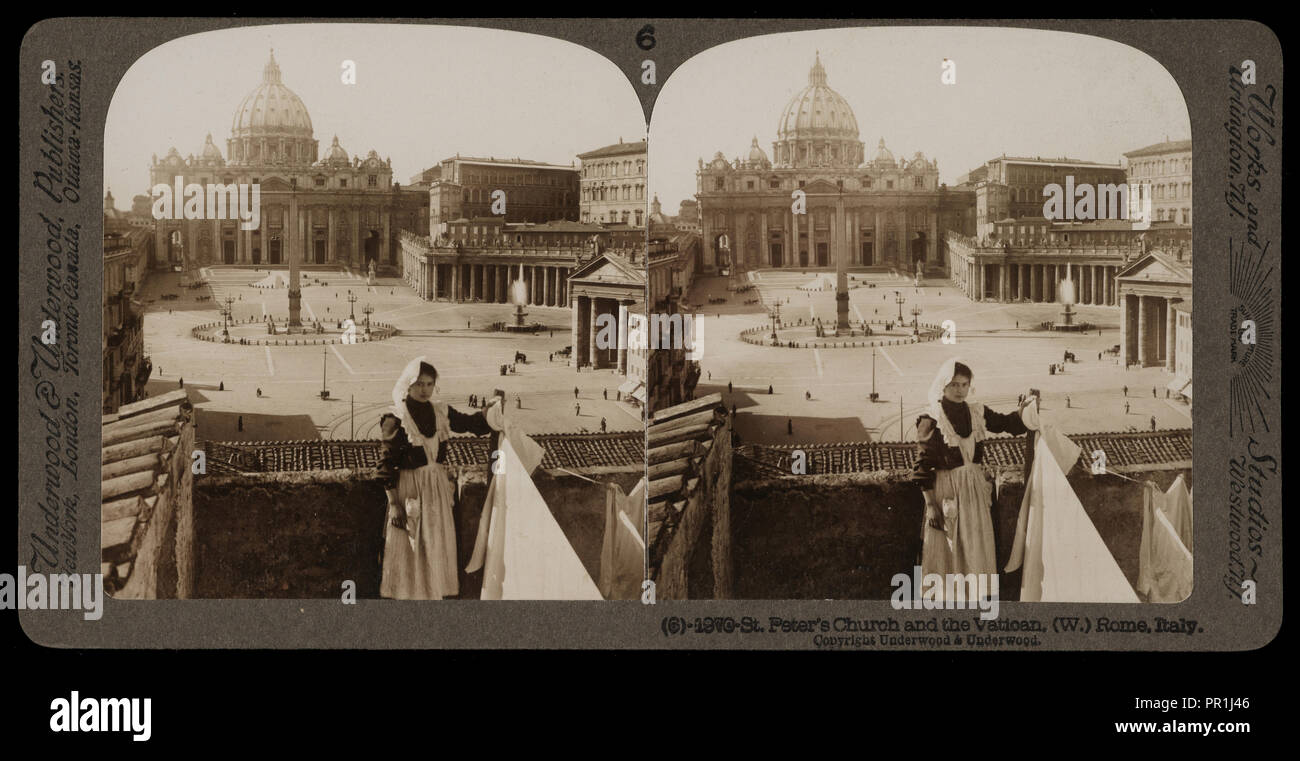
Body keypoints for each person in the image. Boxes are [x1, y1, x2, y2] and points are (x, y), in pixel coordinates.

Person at [378, 358, 500, 600]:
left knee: (435, 543)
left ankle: (433, 595)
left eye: (429, 384)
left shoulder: (440, 411)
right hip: (410, 488)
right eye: (419, 384)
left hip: (436, 489)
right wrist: (394, 505)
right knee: (410, 548)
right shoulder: (397, 418)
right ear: (408, 386)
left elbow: (471, 423)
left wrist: (492, 411)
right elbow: (385, 465)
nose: (424, 390)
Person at [912, 359, 1033, 581]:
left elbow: (1006, 424)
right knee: (948, 548)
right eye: (954, 385)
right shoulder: (932, 419)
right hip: (947, 490)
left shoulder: (976, 411)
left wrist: (1025, 411)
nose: (960, 390)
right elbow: (922, 467)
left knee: (976, 543)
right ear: (944, 386)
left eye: (964, 385)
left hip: (974, 491)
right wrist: (931, 506)